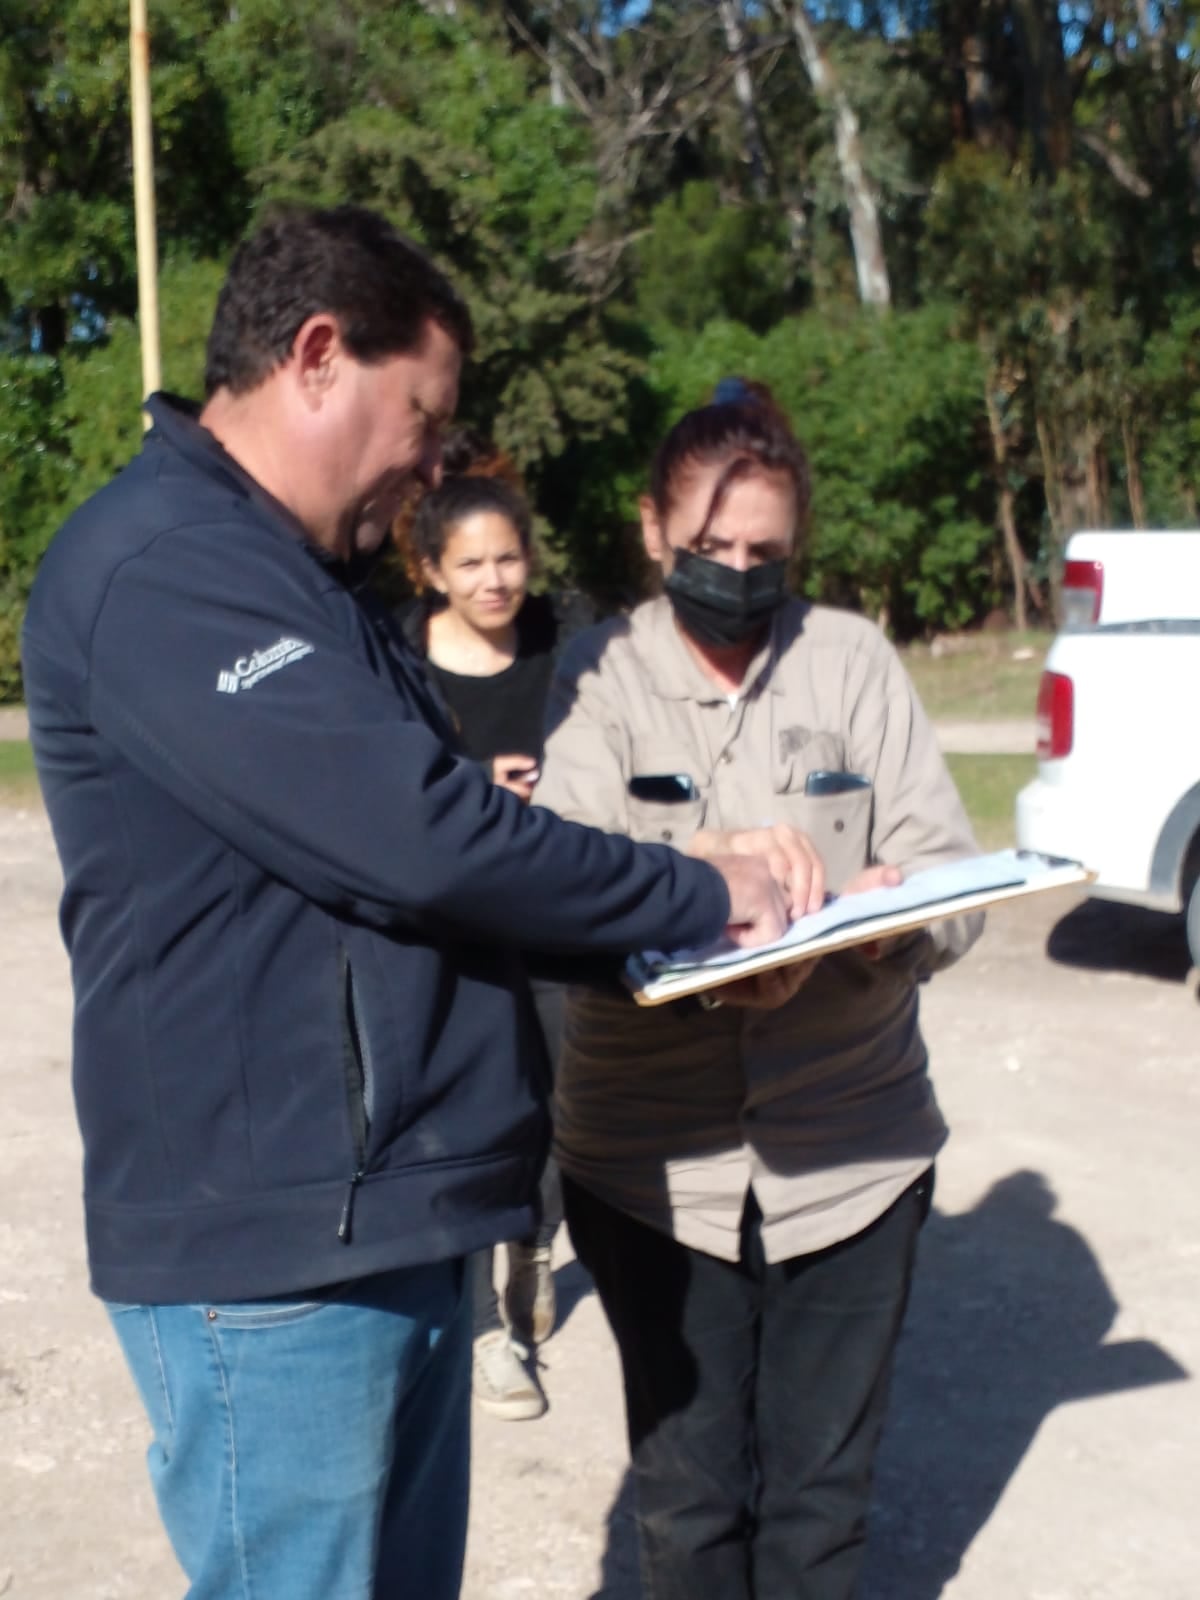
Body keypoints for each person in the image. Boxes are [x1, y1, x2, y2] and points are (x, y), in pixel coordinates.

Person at [19, 210, 801, 1600]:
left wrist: (661, 947)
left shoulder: (309, 587)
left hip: (382, 1218)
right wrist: (700, 894)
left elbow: (453, 874)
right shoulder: (164, 570)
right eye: (424, 417)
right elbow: (427, 845)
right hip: (275, 1258)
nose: (438, 464)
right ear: (319, 356)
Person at [534, 377, 986, 1600]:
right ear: (650, 532)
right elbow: (555, 879)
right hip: (650, 1170)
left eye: (766, 553)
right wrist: (696, 883)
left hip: (854, 1155)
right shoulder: (598, 674)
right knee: (687, 1511)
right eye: (710, 549)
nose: (737, 574)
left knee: (820, 1513)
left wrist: (889, 924)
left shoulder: (851, 663)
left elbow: (956, 881)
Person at [397, 460, 590, 1421]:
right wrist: (475, 783)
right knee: (471, 1118)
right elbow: (383, 783)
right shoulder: (396, 654)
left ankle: (536, 1243)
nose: (493, 581)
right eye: (470, 563)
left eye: (508, 558)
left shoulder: (569, 644)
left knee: (557, 1106)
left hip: (552, 920)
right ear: (433, 570)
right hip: (453, 932)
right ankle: (489, 1335)